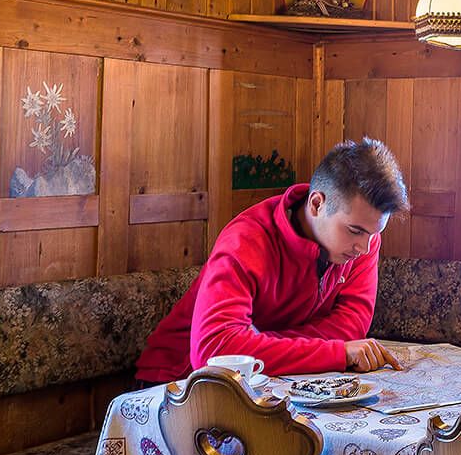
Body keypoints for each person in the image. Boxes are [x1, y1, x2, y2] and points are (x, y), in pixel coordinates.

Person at [135, 138, 409, 383]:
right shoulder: (246, 240)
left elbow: (351, 325)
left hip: (268, 381)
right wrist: (335, 353)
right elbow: (214, 352)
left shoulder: (362, 241)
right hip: (177, 384)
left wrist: (255, 343)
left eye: (375, 233)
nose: (365, 247)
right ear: (316, 204)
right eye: (355, 231)